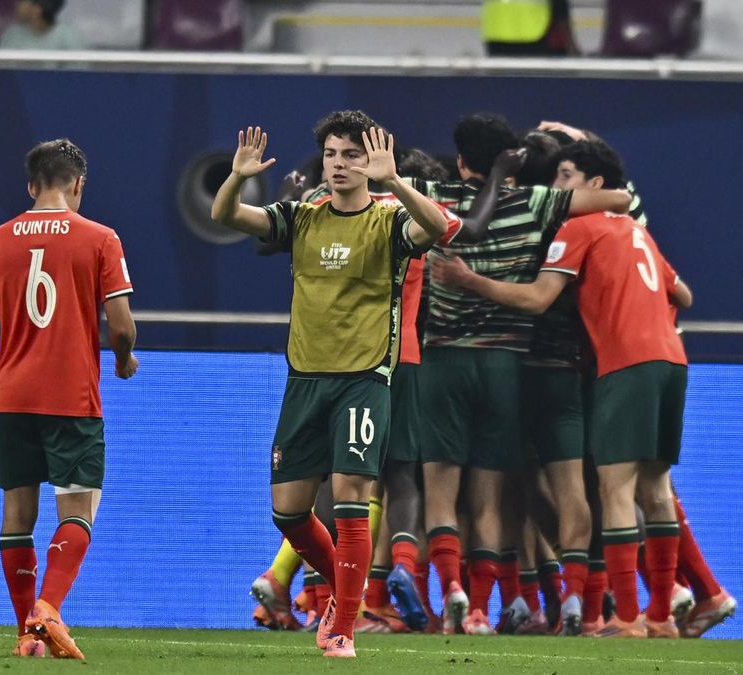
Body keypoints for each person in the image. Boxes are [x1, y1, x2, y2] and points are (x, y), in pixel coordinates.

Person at [211, 111, 450, 658]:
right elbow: (223, 215)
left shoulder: (388, 220)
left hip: (363, 380)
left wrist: (396, 184)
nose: (339, 165)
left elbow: (437, 228)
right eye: (332, 155)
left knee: (350, 497)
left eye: (351, 155)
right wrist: (238, 175)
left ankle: (340, 624)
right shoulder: (301, 217)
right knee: (290, 512)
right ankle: (348, 594)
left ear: (371, 163)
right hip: (305, 381)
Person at [433, 139, 691, 639]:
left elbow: (536, 298)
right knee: (655, 491)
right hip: (671, 360)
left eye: (567, 176)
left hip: (625, 363)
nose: (557, 186)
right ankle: (661, 617)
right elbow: (683, 293)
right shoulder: (638, 233)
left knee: (614, 489)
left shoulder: (580, 226)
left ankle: (629, 619)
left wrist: (471, 281)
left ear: (596, 186)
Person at [410, 113, 630, 635]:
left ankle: (459, 596)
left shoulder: (433, 196)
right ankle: (520, 606)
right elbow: (618, 201)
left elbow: (385, 188)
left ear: (461, 160)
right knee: (505, 497)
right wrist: (579, 154)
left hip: (446, 359)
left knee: (447, 495)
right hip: (522, 365)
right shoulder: (537, 205)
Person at [0, 139, 137, 659]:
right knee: (80, 508)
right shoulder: (101, 239)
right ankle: (48, 609)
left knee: (17, 513)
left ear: (31, 185)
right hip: (71, 395)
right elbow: (121, 324)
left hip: (14, 396)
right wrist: (122, 359)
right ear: (78, 184)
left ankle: (27, 633)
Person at [0, 0, 87, 50]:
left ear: (37, 9)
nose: (17, 5)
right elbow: (4, 74)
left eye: (23, 1)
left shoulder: (71, 38)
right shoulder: (12, 35)